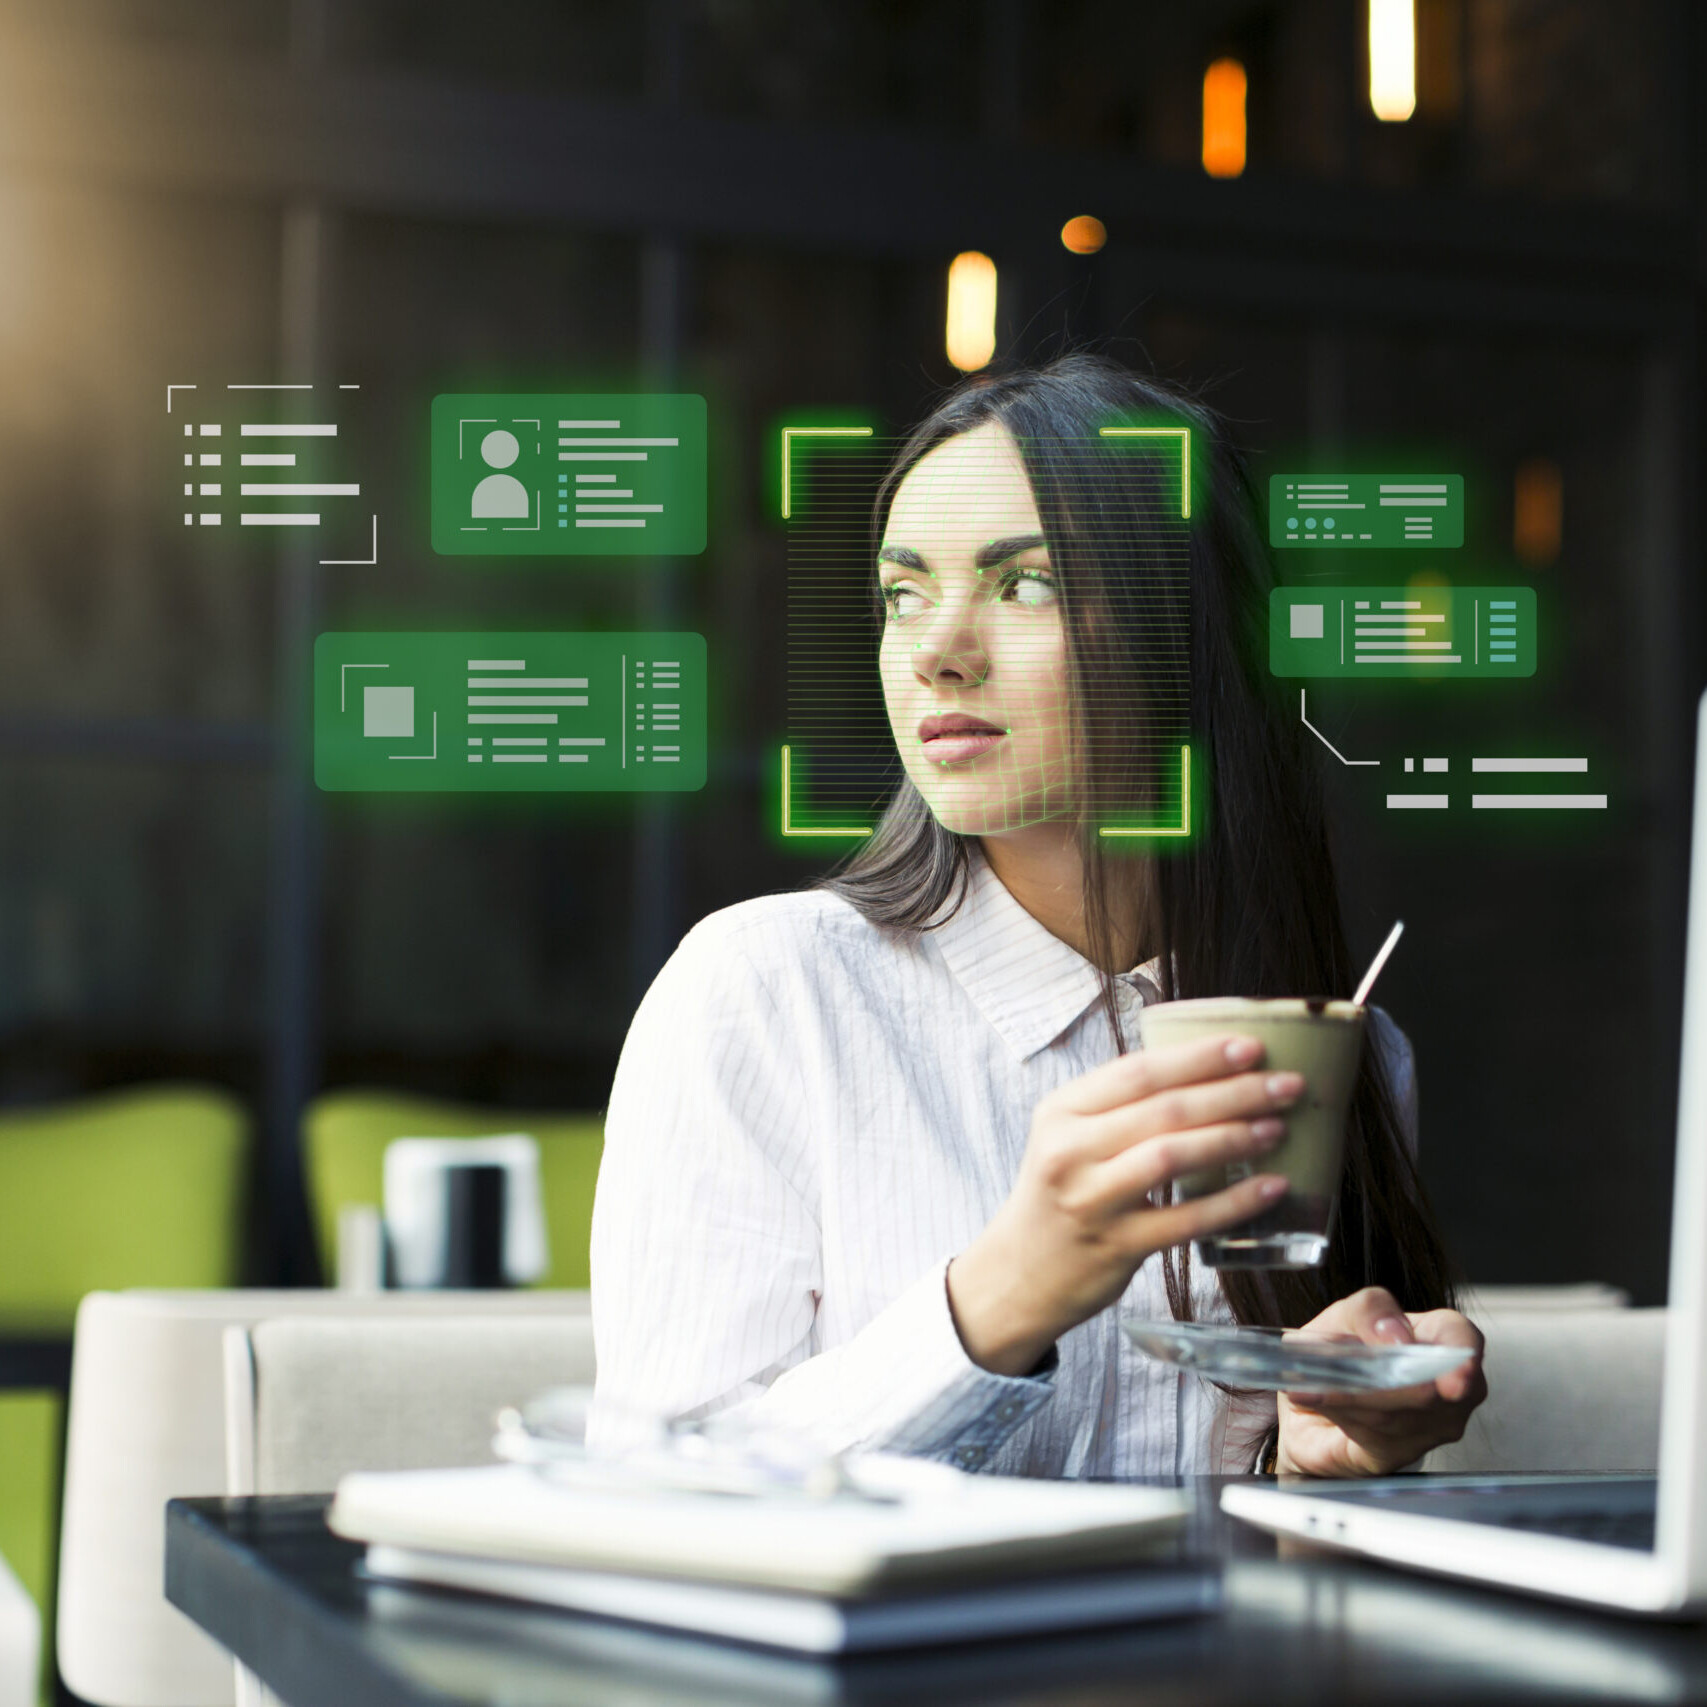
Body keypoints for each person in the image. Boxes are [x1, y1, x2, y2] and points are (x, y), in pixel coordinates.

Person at [590, 354, 1485, 1479]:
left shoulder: (1340, 1053)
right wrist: (1005, 1291)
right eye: (903, 593)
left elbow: (1256, 1563)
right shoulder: (764, 993)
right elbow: (652, 1498)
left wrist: (1314, 1460)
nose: (936, 651)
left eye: (1025, 584)